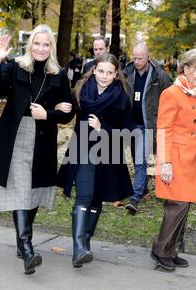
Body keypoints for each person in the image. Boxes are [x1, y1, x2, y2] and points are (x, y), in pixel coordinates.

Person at [0, 24, 75, 275]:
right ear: (30, 44)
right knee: (22, 189)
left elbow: (69, 111)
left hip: (43, 138)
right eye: (37, 43)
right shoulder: (16, 67)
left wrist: (49, 113)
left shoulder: (59, 74)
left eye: (46, 44)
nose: (41, 48)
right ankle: (27, 249)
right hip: (17, 136)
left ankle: (22, 242)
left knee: (33, 192)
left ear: (52, 47)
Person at [57, 53, 133, 268]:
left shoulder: (121, 97)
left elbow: (127, 132)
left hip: (108, 153)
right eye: (101, 71)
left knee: (96, 199)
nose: (104, 76)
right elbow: (66, 115)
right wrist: (56, 109)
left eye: (110, 72)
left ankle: (85, 245)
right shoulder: (81, 91)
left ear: (116, 74)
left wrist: (104, 129)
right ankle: (79, 247)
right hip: (82, 149)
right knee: (85, 195)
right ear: (94, 70)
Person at [150, 49, 196, 271]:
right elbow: (163, 130)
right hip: (176, 158)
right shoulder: (172, 93)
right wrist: (165, 163)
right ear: (185, 68)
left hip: (192, 159)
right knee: (176, 205)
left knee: (184, 205)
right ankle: (161, 251)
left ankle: (172, 250)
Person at [123, 43, 172, 215]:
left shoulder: (159, 76)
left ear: (148, 56)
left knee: (141, 161)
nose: (136, 62)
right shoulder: (127, 73)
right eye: (134, 58)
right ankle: (143, 189)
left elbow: (171, 96)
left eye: (140, 58)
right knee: (137, 161)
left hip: (147, 126)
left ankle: (135, 199)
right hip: (131, 125)